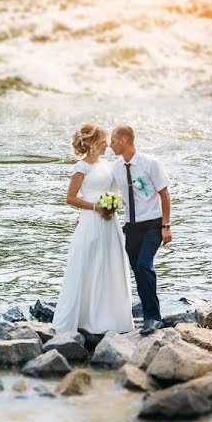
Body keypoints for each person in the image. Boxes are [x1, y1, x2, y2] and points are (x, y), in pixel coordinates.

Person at [52, 123, 134, 336]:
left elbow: (116, 190)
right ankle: (85, 318)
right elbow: (70, 198)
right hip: (91, 222)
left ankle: (111, 318)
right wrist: (95, 207)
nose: (107, 144)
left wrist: (113, 204)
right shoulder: (82, 168)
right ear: (93, 144)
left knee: (110, 264)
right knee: (90, 264)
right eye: (103, 141)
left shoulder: (107, 165)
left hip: (109, 222)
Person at [109, 125, 172, 336]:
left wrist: (166, 226)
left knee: (145, 265)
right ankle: (149, 314)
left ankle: (153, 318)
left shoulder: (150, 163)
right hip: (131, 228)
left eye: (113, 141)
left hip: (153, 225)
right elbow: (108, 192)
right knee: (138, 270)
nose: (110, 145)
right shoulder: (116, 168)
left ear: (124, 141)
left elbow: (164, 194)